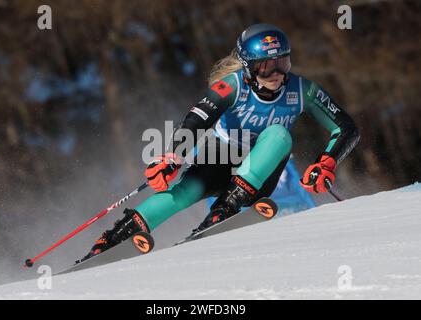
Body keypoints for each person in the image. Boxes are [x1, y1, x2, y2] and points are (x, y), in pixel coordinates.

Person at [81, 23, 360, 261]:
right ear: (249, 68)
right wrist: (173, 156)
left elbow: (347, 128)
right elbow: (197, 120)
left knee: (279, 135)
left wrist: (327, 163)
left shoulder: (302, 90)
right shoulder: (231, 85)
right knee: (184, 192)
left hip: (260, 173)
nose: (276, 74)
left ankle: (225, 209)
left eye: (282, 63)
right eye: (265, 67)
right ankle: (114, 239)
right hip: (220, 158)